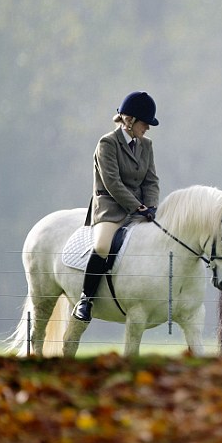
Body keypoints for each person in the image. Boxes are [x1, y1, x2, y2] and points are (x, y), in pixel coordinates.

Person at [72, 91, 161, 323]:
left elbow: (151, 180)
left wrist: (151, 206)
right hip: (111, 208)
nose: (148, 128)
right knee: (102, 246)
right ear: (130, 121)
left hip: (140, 208)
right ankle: (85, 300)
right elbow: (112, 182)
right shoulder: (107, 143)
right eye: (145, 123)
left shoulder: (146, 145)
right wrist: (138, 206)